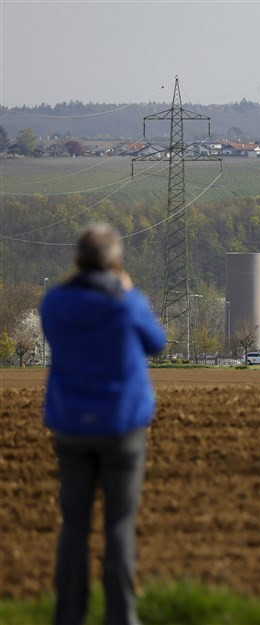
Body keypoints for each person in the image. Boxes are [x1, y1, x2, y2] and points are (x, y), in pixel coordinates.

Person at [41, 223, 166, 625]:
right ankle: (121, 617)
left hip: (71, 423)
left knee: (73, 527)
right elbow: (156, 343)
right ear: (115, 262)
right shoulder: (125, 303)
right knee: (119, 526)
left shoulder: (54, 303)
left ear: (76, 259)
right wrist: (128, 291)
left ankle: (68, 616)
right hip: (121, 424)